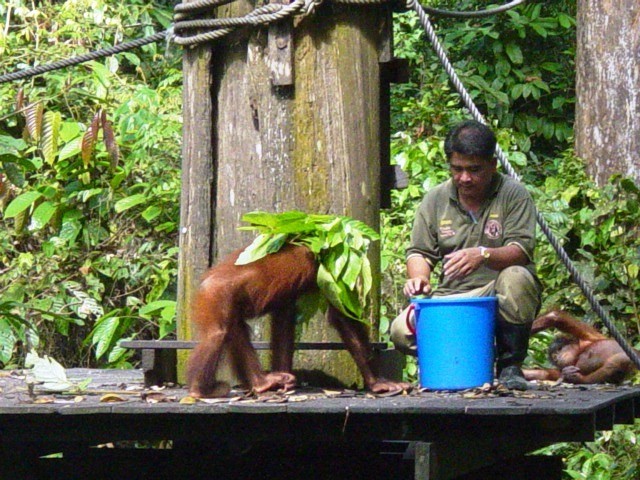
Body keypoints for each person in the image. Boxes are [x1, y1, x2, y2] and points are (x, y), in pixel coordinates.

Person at [390, 120, 542, 390]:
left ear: (492, 165)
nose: (464, 178)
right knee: (402, 331)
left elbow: (520, 251)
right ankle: (459, 357)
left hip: (498, 290)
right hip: (455, 297)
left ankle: (509, 365)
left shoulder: (513, 195)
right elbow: (419, 252)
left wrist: (483, 255)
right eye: (457, 169)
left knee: (516, 277)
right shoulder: (436, 199)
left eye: (474, 170)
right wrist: (419, 279)